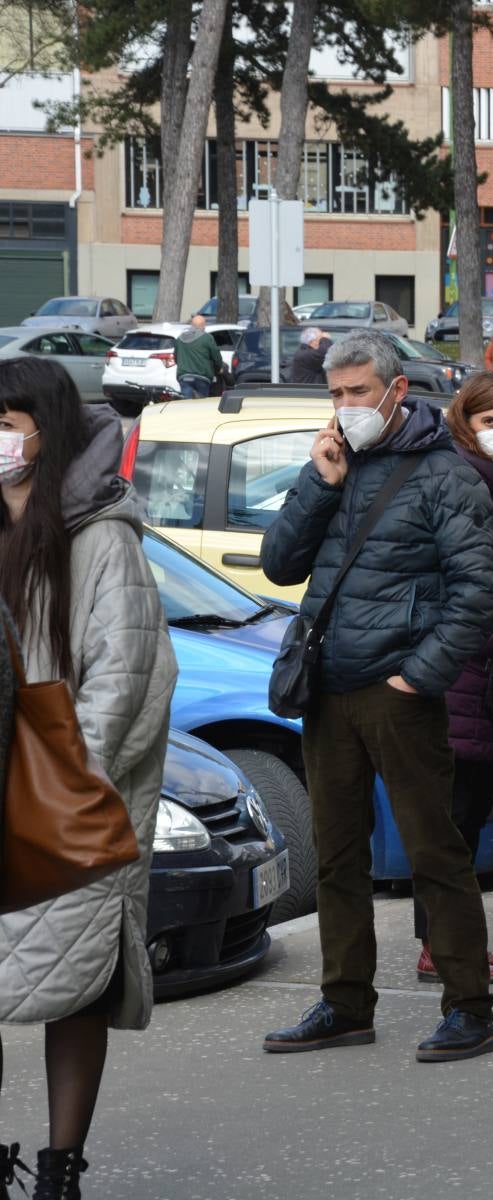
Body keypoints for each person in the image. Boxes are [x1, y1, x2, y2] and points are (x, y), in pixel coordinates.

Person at [260, 331, 493, 1064]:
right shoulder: (335, 464)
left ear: (395, 391)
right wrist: (319, 481)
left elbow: (479, 591)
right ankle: (345, 1004)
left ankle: (469, 1009)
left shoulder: (445, 474)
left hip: (398, 693)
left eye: (358, 392)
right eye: (335, 394)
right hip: (329, 690)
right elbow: (279, 563)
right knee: (336, 858)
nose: (345, 407)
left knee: (435, 855)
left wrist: (418, 676)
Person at [0, 357, 179, 1195]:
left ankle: (60, 1167)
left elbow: (130, 669)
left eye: (8, 419)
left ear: (46, 428)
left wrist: (71, 774)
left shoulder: (98, 534)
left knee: (75, 983)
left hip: (64, 794)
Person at [413, 370, 493, 988]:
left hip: (491, 669)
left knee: (464, 817)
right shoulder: (461, 481)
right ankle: (441, 948)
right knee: (455, 819)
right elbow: (457, 584)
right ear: (463, 421)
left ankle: (452, 943)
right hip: (467, 669)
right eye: (488, 421)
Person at [175, 312, 227, 397]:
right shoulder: (207, 338)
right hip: (202, 376)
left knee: (186, 402)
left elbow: (176, 357)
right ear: (203, 325)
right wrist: (218, 368)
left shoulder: (180, 338)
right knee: (201, 403)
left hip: (183, 376)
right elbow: (216, 357)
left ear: (192, 325)